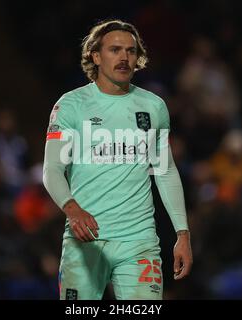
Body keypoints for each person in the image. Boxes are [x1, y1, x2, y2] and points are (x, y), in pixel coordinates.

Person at [43, 19, 193, 300]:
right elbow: (52, 169)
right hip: (84, 241)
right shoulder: (71, 106)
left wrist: (182, 234)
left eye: (131, 51)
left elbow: (165, 171)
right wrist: (72, 208)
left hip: (139, 242)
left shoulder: (153, 106)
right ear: (96, 56)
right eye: (115, 50)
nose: (124, 57)